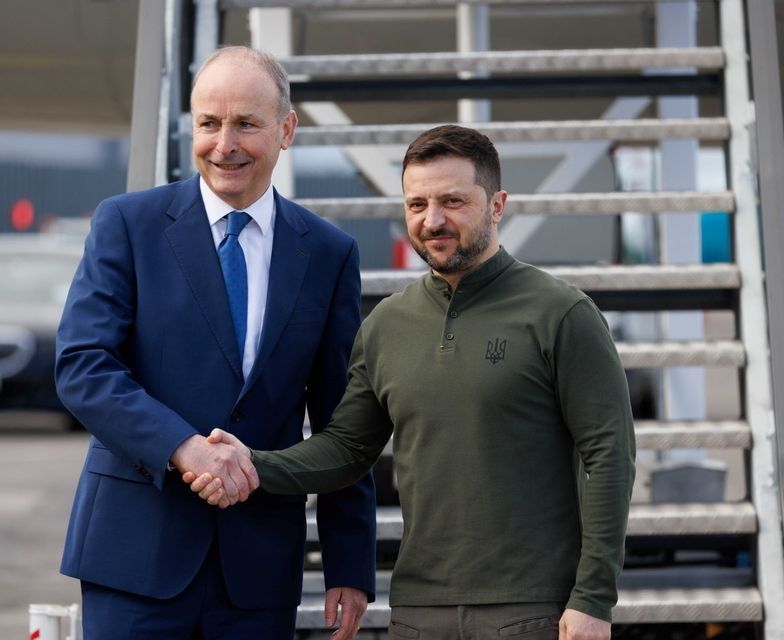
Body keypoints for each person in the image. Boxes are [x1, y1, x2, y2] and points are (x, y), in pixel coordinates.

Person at [187, 125, 637, 640]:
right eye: (417, 204)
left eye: (453, 201)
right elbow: (347, 449)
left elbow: (609, 454)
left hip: (532, 607)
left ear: (496, 205)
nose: (433, 220)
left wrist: (594, 598)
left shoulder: (562, 313)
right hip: (419, 610)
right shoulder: (386, 325)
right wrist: (252, 464)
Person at [55, 46, 376, 640]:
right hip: (134, 556)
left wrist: (349, 562)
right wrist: (184, 448)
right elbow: (83, 366)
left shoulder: (329, 255)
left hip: (257, 569)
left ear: (286, 131)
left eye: (246, 124)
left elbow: (342, 421)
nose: (224, 144)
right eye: (209, 123)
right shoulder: (127, 224)